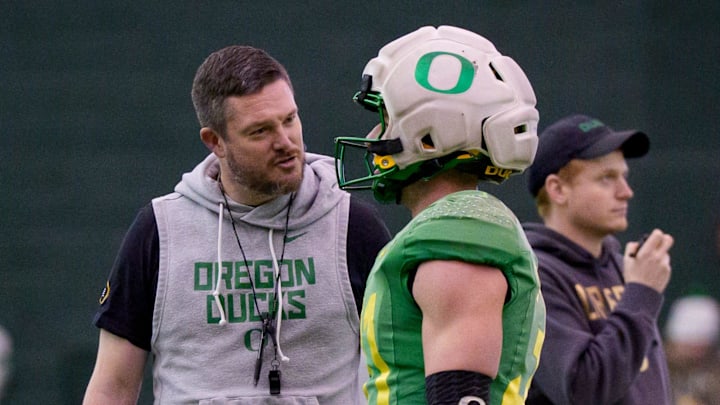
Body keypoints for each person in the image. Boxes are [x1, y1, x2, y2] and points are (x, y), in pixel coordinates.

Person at [83, 45, 391, 404]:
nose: (286, 142)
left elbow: (405, 365)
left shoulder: (353, 226)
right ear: (215, 142)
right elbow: (112, 387)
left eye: (290, 119)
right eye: (260, 131)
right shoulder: (159, 231)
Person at [334, 25, 546, 405]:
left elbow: (459, 397)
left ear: (429, 132)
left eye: (384, 118)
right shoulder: (455, 227)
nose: (372, 136)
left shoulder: (457, 235)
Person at [523, 114, 675, 405]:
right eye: (607, 179)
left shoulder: (624, 268)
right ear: (557, 189)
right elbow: (582, 390)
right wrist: (641, 293)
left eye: (624, 177)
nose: (626, 192)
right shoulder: (534, 277)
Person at [664, 294, 720, 405]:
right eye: (689, 346)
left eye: (702, 347)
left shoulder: (714, 372)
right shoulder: (654, 368)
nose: (696, 353)